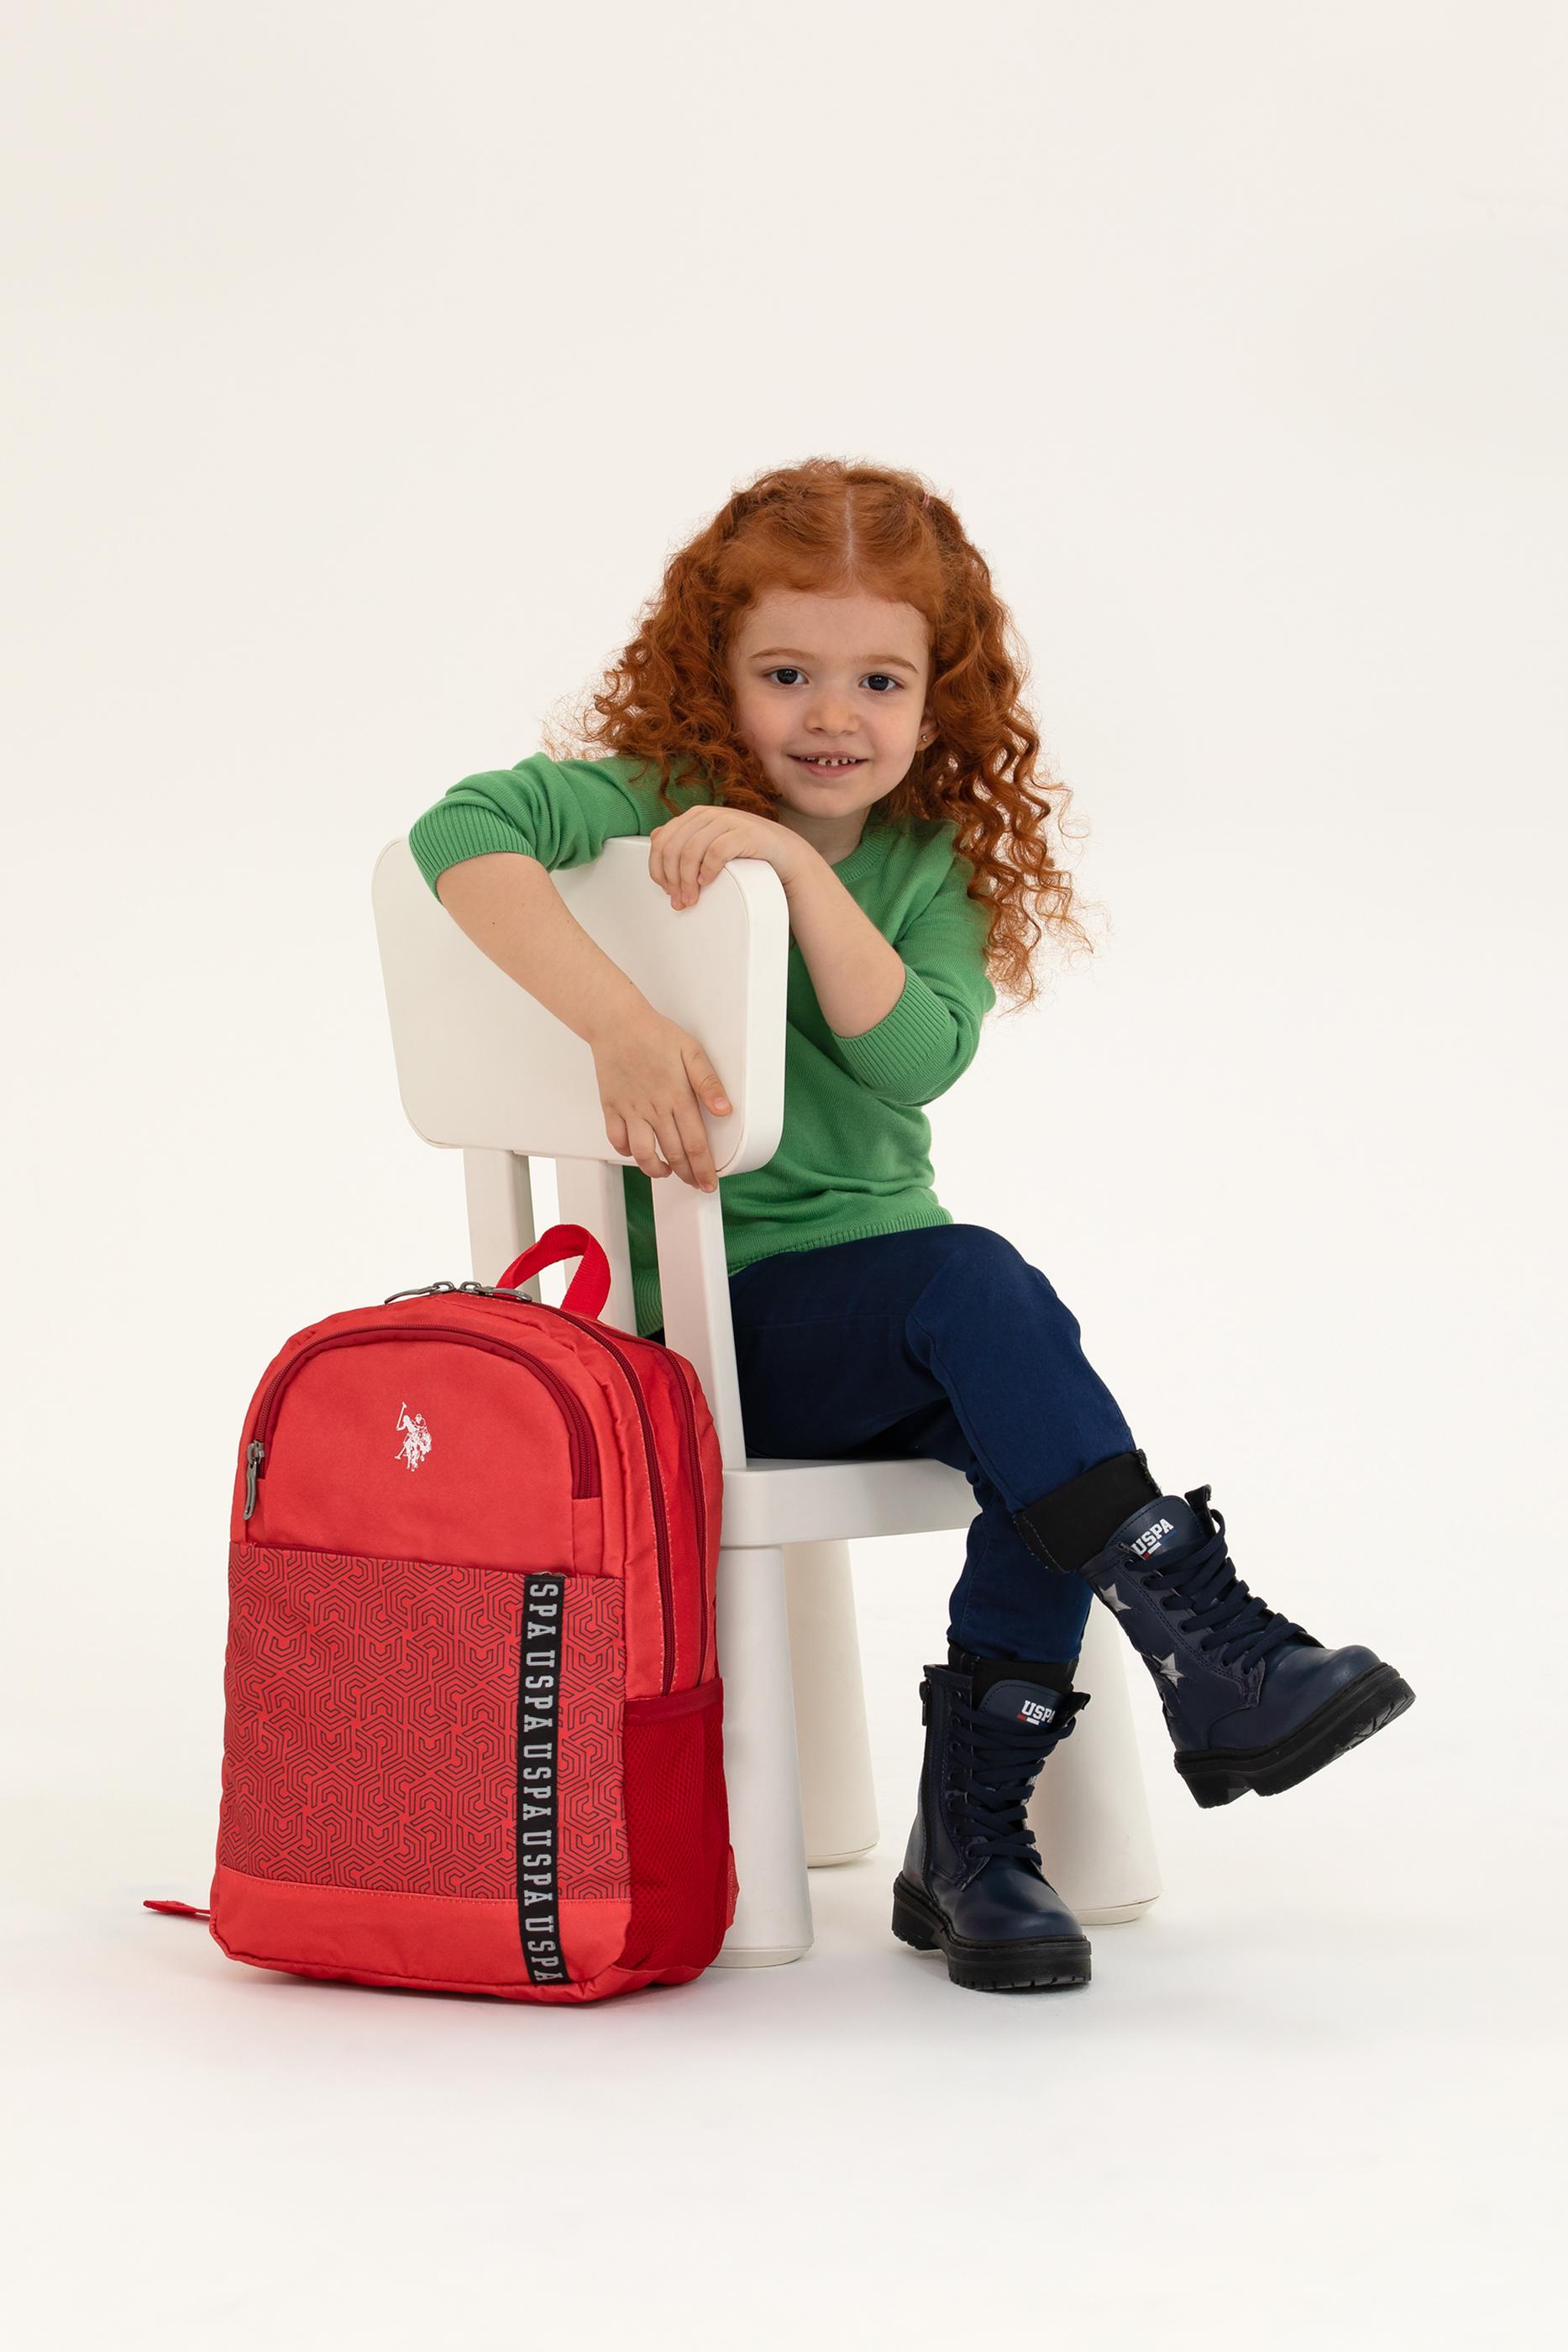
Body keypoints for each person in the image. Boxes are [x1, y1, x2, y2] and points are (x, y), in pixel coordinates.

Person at [407, 456, 1414, 1996]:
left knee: (1036, 1423)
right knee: (993, 1302)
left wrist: (797, 869)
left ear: (939, 698)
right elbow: (457, 831)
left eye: (878, 681)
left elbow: (914, 1057)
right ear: (713, 673)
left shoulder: (926, 861)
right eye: (786, 674)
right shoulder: (651, 805)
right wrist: (617, 1022)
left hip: (893, 1321)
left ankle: (974, 1838)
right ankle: (1210, 1647)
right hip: (695, 1338)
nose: (833, 716)